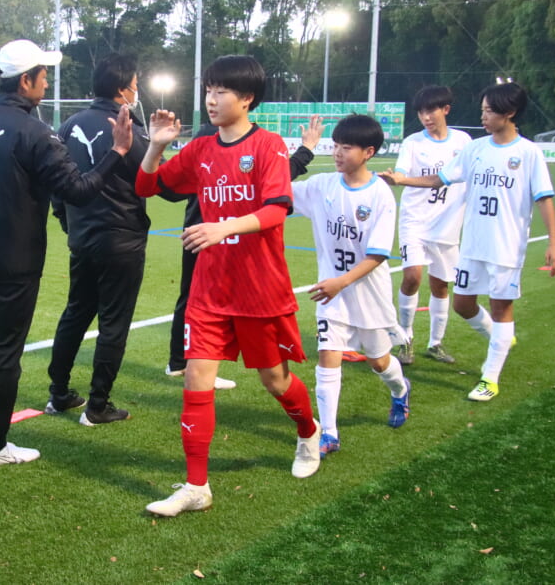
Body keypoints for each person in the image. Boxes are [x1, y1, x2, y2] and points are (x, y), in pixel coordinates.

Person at [0, 39, 133, 466]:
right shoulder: (36, 132)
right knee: (5, 352)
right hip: (15, 261)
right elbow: (79, 191)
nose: (46, 83)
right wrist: (116, 152)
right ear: (25, 81)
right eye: (43, 76)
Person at [136, 55, 322, 518]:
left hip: (259, 289)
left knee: (275, 380)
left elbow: (277, 209)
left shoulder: (268, 145)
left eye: (222, 91)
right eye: (208, 89)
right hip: (210, 290)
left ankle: (308, 432)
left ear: (247, 98)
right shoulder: (201, 148)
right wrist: (155, 146)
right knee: (196, 378)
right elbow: (147, 186)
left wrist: (224, 227)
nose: (211, 99)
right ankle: (196, 486)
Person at [382, 82, 555, 401]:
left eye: (489, 111)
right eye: (482, 110)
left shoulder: (528, 153)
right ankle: (499, 337)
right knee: (462, 304)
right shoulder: (474, 149)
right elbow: (439, 179)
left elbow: (544, 198)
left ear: (510, 112)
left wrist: (554, 243)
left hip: (506, 245)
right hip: (472, 243)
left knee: (500, 306)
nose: (483, 117)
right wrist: (402, 180)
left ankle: (490, 378)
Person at [165, 120, 322, 388]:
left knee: (190, 297)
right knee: (211, 301)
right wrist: (306, 150)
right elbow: (275, 178)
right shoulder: (219, 140)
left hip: (200, 231)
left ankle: (182, 361)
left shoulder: (217, 137)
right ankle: (193, 362)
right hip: (218, 237)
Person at [292, 114, 411, 461]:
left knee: (378, 361)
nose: (338, 153)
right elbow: (277, 189)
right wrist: (302, 152)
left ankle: (400, 390)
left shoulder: (380, 195)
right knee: (328, 355)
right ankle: (329, 432)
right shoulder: (322, 186)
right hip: (332, 295)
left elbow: (377, 255)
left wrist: (340, 282)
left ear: (368, 152)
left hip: (366, 293)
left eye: (346, 147)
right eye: (336, 146)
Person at [45, 54, 149, 425]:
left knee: (75, 314)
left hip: (82, 238)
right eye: (134, 84)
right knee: (113, 324)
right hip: (121, 240)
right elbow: (153, 179)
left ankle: (59, 394)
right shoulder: (126, 127)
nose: (137, 90)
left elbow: (56, 184)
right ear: (122, 89)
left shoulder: (68, 125)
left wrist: (67, 222)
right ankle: (98, 404)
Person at [391, 85, 472, 365]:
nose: (425, 117)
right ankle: (405, 339)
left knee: (440, 285)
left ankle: (436, 343)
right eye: (421, 112)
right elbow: (401, 172)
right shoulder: (413, 143)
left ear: (445, 109)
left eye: (431, 111)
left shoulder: (463, 142)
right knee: (412, 277)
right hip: (414, 220)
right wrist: (398, 177)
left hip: (447, 224)